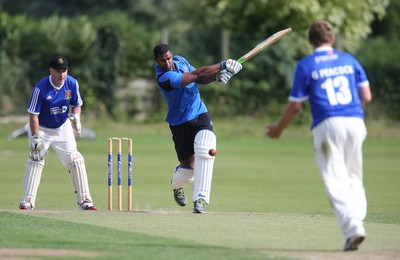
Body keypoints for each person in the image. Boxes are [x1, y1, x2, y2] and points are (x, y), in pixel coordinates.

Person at [266, 20, 372, 251]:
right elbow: (366, 95)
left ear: (310, 41)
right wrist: (352, 112)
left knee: (335, 178)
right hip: (356, 121)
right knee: (354, 175)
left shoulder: (306, 65)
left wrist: (279, 128)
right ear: (331, 39)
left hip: (328, 124)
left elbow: (295, 107)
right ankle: (357, 219)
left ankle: (354, 228)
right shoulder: (349, 60)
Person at [153, 44, 242, 213]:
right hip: (180, 123)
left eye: (169, 58)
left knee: (206, 149)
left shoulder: (181, 61)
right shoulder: (164, 78)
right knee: (188, 172)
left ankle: (200, 199)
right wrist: (223, 65)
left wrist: (216, 77)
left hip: (200, 113)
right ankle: (176, 183)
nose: (167, 62)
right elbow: (195, 75)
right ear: (157, 61)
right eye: (163, 60)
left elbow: (201, 79)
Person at [18, 56, 97, 211]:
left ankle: (85, 200)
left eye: (64, 71)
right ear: (51, 71)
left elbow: (77, 104)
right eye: (58, 71)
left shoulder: (72, 83)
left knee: (76, 159)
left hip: (62, 127)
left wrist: (77, 118)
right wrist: (35, 138)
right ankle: (27, 200)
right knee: (36, 159)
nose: (62, 75)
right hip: (41, 128)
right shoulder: (40, 88)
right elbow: (33, 115)